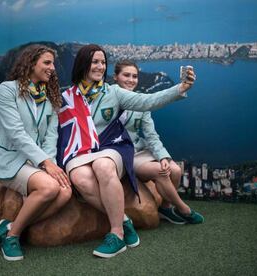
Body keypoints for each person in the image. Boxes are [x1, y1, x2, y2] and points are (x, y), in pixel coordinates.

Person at [56, 44, 196, 258]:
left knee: (103, 166)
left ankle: (116, 234)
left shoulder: (114, 92)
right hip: (83, 153)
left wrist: (180, 88)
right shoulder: (67, 97)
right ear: (83, 63)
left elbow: (148, 101)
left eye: (103, 62)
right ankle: (123, 219)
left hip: (113, 147)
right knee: (80, 178)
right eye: (95, 61)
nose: (100, 66)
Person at [0, 44, 72, 261]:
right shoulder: (7, 89)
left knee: (66, 192)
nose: (52, 68)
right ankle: (13, 237)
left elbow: (52, 136)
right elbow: (15, 133)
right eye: (47, 63)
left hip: (36, 163)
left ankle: (9, 226)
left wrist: (48, 161)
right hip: (12, 160)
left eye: (53, 64)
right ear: (31, 63)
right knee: (50, 187)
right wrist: (45, 164)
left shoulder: (50, 97)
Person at [113, 60, 204, 225]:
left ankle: (166, 208)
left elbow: (151, 135)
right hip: (121, 153)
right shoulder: (107, 98)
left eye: (135, 76)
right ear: (115, 77)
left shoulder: (140, 101)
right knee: (160, 172)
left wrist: (163, 157)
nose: (131, 79)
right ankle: (184, 209)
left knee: (174, 170)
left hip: (139, 150)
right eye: (126, 75)